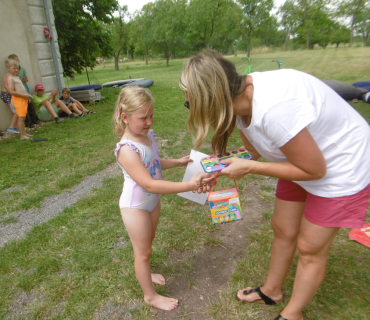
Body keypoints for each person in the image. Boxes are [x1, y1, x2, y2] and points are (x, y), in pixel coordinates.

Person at [179, 50, 370, 320]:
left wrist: (252, 167)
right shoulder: (239, 103)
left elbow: (314, 169)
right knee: (282, 227)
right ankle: (272, 290)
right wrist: (219, 168)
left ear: (214, 97)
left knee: (310, 248)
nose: (193, 110)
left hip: (342, 164)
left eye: (192, 104)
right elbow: (253, 153)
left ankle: (293, 314)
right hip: (297, 157)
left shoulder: (275, 108)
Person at [114, 86, 212, 311]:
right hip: (135, 207)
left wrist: (177, 162)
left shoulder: (147, 136)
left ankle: (146, 272)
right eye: (143, 118)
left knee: (149, 243)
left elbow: (154, 164)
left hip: (152, 202)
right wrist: (188, 185)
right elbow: (148, 182)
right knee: (143, 252)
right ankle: (150, 296)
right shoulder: (126, 150)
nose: (149, 122)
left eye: (151, 116)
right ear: (125, 117)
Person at [8, 54, 39, 126]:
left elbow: (26, 78)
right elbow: (11, 89)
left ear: (18, 61)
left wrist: (26, 79)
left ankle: (34, 119)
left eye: (16, 61)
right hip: (19, 95)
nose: (16, 69)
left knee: (29, 106)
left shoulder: (22, 69)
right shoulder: (10, 75)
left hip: (25, 91)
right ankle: (27, 122)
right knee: (22, 109)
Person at [6, 59, 33, 140]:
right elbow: (11, 91)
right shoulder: (10, 78)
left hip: (23, 99)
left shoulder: (16, 77)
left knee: (23, 117)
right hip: (18, 100)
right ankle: (22, 135)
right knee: (21, 117)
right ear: (8, 68)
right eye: (14, 68)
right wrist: (23, 95)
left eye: (17, 68)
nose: (16, 70)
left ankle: (24, 133)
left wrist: (26, 95)